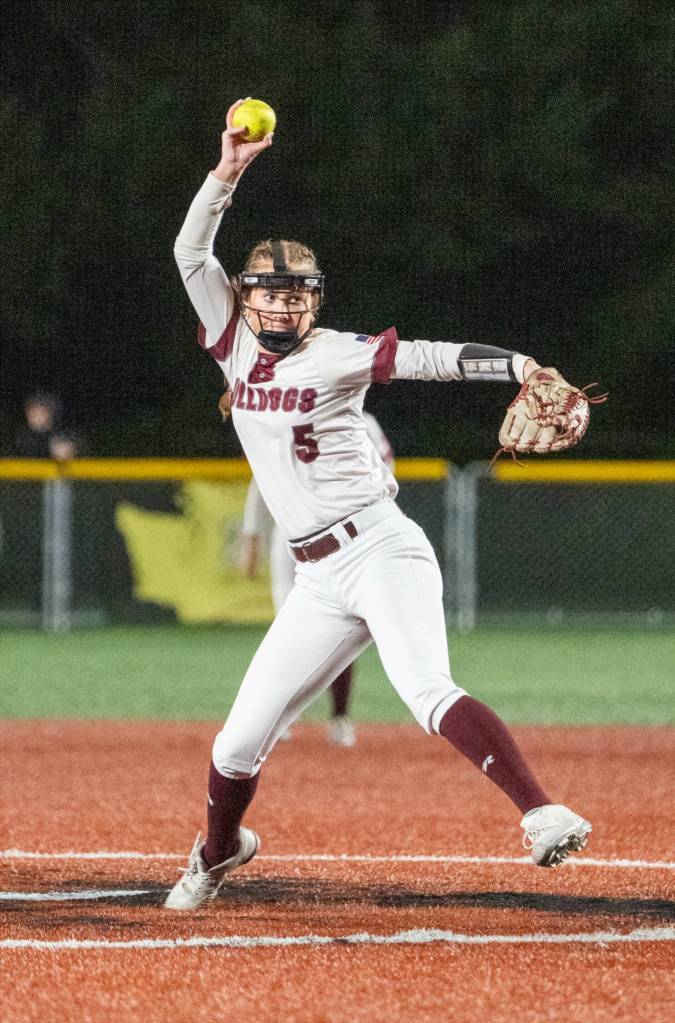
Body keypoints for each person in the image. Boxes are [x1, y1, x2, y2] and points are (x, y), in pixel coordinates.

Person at [165, 99, 593, 911]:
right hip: (315, 579)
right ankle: (218, 853)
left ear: (315, 302)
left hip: (380, 550)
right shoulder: (232, 343)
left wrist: (520, 364)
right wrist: (226, 173)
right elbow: (190, 248)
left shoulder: (336, 354)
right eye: (270, 293)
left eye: (298, 295)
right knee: (237, 742)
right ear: (244, 297)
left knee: (427, 688)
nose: (284, 306)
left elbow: (430, 357)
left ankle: (541, 812)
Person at [238, 410, 395, 746]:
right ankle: (280, 717)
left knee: (345, 627)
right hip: (293, 535)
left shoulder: (362, 421)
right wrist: (251, 533)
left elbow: (386, 474)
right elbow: (263, 475)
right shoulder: (285, 411)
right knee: (288, 627)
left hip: (346, 538)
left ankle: (340, 716)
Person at [13, 392, 85, 460]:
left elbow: (81, 447)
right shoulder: (22, 435)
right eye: (32, 412)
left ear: (50, 414)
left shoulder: (61, 432)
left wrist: (71, 449)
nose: (36, 416)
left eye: (40, 412)